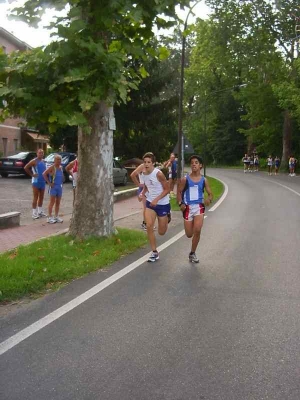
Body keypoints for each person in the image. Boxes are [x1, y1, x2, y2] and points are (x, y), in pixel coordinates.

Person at [177, 155, 213, 263]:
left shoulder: (204, 180)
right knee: (189, 234)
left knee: (197, 229)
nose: (194, 164)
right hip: (188, 208)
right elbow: (179, 192)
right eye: (192, 163)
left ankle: (192, 253)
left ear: (201, 165)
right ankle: (191, 234)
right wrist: (180, 203)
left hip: (199, 207)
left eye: (196, 162)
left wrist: (208, 199)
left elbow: (210, 194)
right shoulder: (185, 179)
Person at [139, 152, 170, 262]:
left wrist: (157, 199)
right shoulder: (143, 174)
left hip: (162, 204)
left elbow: (167, 189)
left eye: (149, 162)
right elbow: (147, 186)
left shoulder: (158, 174)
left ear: (153, 163)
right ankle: (154, 252)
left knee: (162, 232)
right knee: (149, 226)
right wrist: (142, 193)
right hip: (150, 203)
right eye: (145, 162)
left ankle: (167, 216)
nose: (146, 164)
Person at [24, 148, 47, 219]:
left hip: (42, 181)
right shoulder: (34, 161)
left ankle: (40, 211)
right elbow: (26, 167)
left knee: (41, 197)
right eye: (39, 153)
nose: (41, 154)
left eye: (42, 153)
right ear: (37, 153)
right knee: (35, 197)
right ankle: (34, 213)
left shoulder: (43, 161)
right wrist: (32, 175)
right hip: (36, 181)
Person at [42, 154, 64, 224]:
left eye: (60, 159)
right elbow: (44, 174)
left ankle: (56, 216)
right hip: (53, 187)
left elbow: (62, 177)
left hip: (59, 187)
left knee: (58, 202)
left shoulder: (61, 167)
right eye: (57, 159)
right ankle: (49, 217)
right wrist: (49, 183)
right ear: (54, 160)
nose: (59, 161)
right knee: (52, 202)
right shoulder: (52, 167)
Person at [130, 162, 148, 230]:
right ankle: (145, 223)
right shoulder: (142, 166)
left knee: (149, 207)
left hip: (149, 189)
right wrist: (139, 184)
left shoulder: (151, 167)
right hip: (143, 188)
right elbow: (133, 175)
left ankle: (148, 222)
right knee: (145, 207)